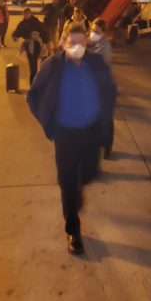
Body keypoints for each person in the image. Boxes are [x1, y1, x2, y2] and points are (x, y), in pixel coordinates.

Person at [27, 26, 117, 255]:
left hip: (91, 132)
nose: (77, 48)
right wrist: (48, 123)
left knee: (88, 174)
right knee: (67, 182)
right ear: (63, 43)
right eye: (72, 43)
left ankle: (77, 191)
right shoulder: (52, 66)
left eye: (81, 43)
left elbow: (109, 90)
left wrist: (105, 123)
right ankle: (73, 230)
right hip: (65, 134)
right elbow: (33, 95)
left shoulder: (96, 63)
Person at [89, 18, 115, 159]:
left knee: (105, 118)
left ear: (103, 33)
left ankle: (107, 146)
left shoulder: (105, 46)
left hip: (103, 86)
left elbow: (102, 65)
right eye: (92, 30)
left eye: (97, 32)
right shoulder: (92, 44)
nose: (93, 33)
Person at [11, 7, 47, 85]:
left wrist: (46, 43)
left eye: (28, 13)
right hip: (27, 45)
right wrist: (14, 37)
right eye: (25, 14)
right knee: (31, 63)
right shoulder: (22, 23)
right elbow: (16, 33)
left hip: (36, 44)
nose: (26, 15)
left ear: (30, 13)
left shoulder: (35, 21)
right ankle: (34, 81)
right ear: (23, 14)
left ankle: (33, 83)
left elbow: (43, 31)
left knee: (34, 63)